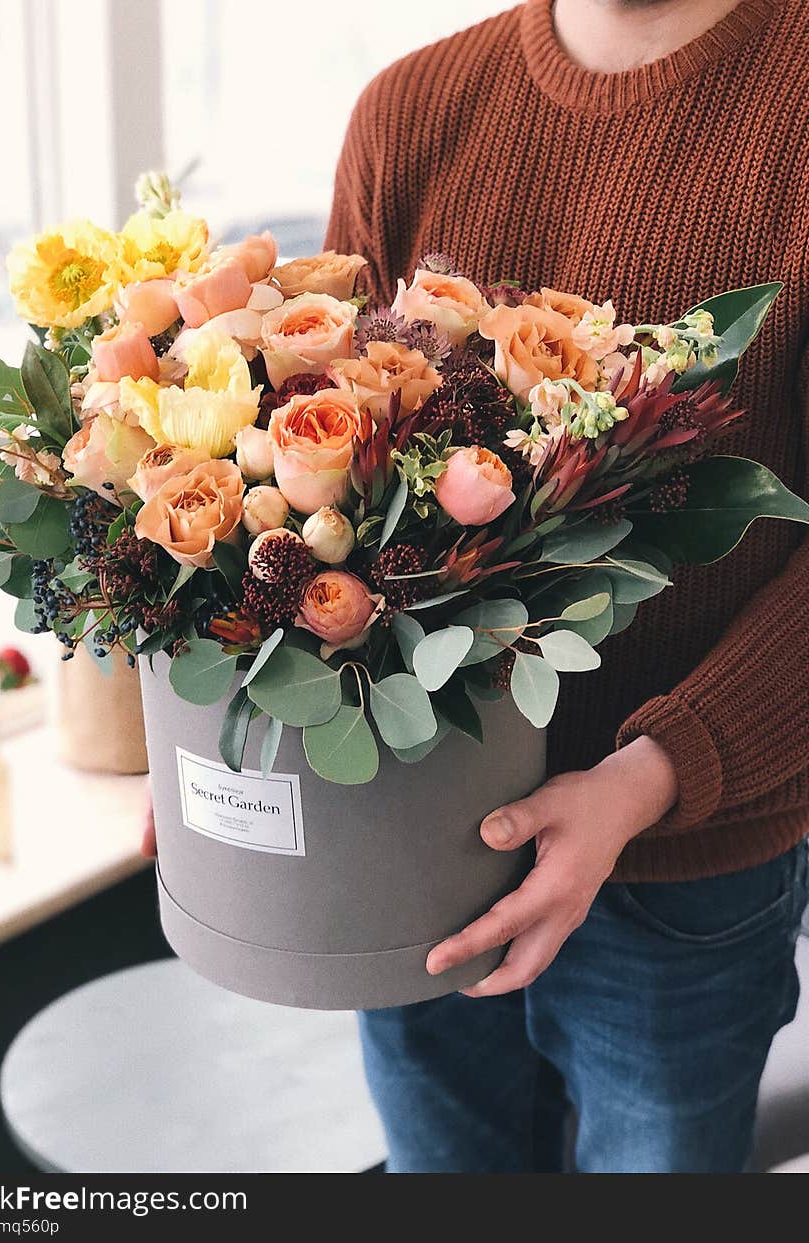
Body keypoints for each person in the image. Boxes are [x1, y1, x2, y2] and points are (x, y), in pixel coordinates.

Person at [144, 0, 809, 1173]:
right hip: (406, 838)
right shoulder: (410, 110)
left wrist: (650, 777)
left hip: (678, 869)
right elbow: (312, 501)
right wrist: (212, 730)